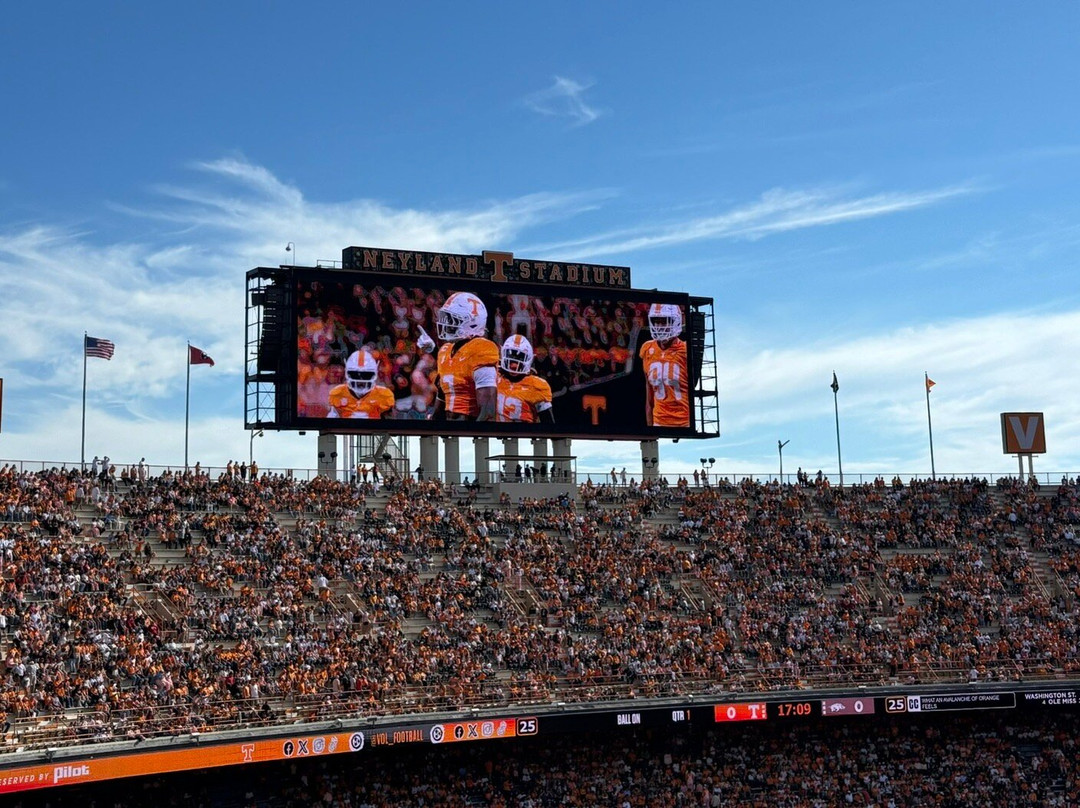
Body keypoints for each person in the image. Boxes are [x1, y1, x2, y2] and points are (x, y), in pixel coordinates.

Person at [417, 292, 499, 421]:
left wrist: (472, 437)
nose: (447, 323)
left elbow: (488, 413)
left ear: (472, 322)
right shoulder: (445, 350)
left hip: (468, 431)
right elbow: (443, 394)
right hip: (451, 430)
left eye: (452, 319)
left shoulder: (481, 349)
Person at [639, 303, 689, 427]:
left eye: (664, 322)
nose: (659, 326)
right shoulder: (647, 348)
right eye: (656, 322)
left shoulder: (686, 350)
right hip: (659, 421)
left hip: (684, 423)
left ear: (675, 322)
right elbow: (649, 396)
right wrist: (650, 431)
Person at [495, 335, 553, 423]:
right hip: (495, 434)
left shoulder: (536, 385)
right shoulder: (494, 377)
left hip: (524, 435)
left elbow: (549, 425)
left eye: (519, 357)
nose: (513, 365)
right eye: (511, 356)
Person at [327, 350, 395, 419]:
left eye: (366, 375)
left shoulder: (384, 395)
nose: (360, 380)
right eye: (355, 374)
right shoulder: (338, 393)